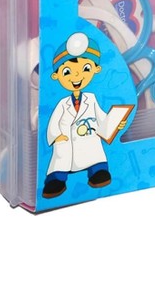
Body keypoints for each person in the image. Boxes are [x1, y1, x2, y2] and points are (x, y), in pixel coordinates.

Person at [43, 32, 125, 199]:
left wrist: (114, 123)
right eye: (67, 72)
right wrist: (56, 136)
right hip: (66, 141)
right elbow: (53, 122)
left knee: (94, 156)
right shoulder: (62, 103)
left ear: (96, 69)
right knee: (61, 163)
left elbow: (101, 116)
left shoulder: (91, 99)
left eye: (85, 69)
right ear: (56, 75)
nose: (76, 76)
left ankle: (98, 172)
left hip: (88, 139)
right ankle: (57, 180)